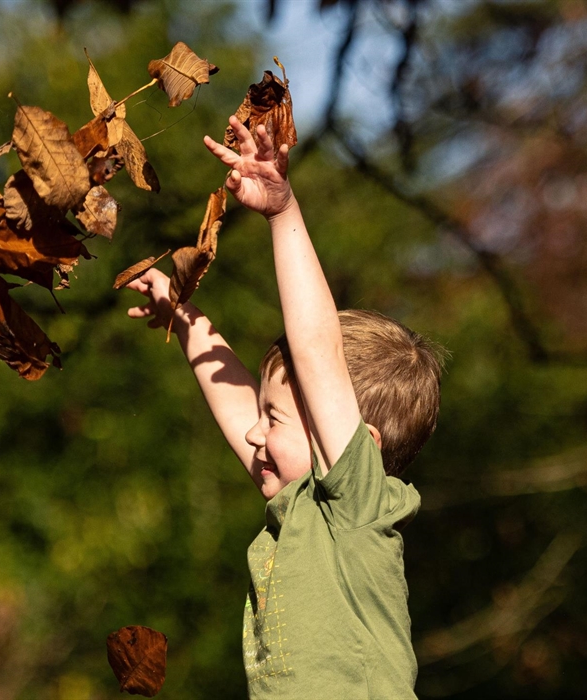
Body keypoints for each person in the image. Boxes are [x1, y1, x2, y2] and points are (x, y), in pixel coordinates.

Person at [124, 115, 445, 699]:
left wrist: (282, 211)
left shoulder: (356, 510)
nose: (254, 436)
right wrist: (187, 321)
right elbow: (236, 406)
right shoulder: (303, 508)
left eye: (275, 420)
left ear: (360, 446)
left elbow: (317, 348)